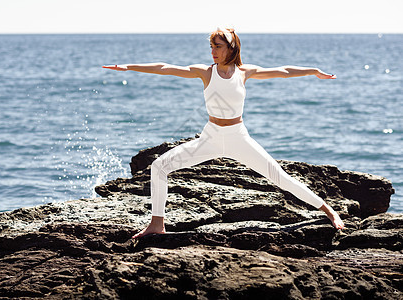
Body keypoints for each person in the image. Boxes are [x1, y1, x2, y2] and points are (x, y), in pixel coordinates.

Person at [102, 27, 345, 239]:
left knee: (280, 177)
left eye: (217, 46)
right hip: (211, 137)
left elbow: (282, 71)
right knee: (159, 166)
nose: (212, 51)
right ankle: (157, 224)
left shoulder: (244, 72)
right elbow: (165, 68)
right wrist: (129, 67)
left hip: (239, 138)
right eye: (211, 46)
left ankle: (328, 211)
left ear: (231, 47)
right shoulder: (206, 72)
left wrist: (313, 70)